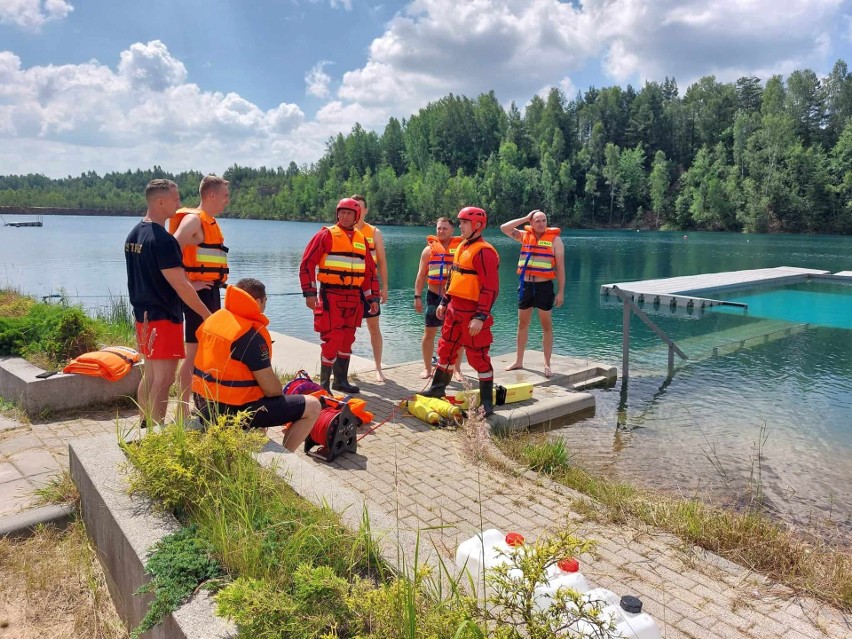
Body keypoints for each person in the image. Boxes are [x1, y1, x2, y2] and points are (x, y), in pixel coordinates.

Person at [192, 278, 320, 451]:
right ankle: (285, 458)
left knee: (262, 417)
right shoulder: (249, 334)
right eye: (266, 301)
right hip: (232, 411)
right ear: (259, 301)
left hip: (203, 403)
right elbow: (271, 390)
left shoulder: (215, 319)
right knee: (312, 405)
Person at [124, 179, 211, 425]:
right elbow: (180, 286)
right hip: (163, 317)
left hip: (142, 316)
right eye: (175, 198)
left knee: (150, 375)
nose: (179, 203)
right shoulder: (163, 240)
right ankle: (156, 429)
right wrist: (206, 315)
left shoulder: (135, 234)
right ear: (160, 201)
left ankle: (144, 424)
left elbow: (155, 275)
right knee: (164, 379)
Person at [421, 207, 500, 415]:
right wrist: (444, 302)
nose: (461, 226)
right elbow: (453, 277)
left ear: (477, 226)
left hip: (473, 312)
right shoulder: (463, 246)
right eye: (461, 222)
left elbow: (491, 288)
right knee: (446, 350)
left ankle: (486, 402)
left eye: (464, 222)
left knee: (478, 357)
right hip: (454, 309)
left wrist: (481, 316)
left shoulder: (485, 251)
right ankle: (437, 389)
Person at [299, 198, 380, 394]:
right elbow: (307, 264)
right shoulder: (325, 235)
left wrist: (373, 299)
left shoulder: (361, 239)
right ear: (337, 214)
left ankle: (341, 381)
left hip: (354, 298)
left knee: (347, 339)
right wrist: (309, 293)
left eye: (349, 213)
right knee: (332, 339)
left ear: (356, 216)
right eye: (342, 212)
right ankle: (324, 385)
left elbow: (369, 273)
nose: (345, 216)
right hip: (331, 296)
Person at [170, 175, 231, 415]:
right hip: (200, 295)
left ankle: (198, 403)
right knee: (193, 353)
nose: (227, 200)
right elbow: (172, 246)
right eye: (225, 196)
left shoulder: (210, 222)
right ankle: (182, 410)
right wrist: (187, 282)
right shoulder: (195, 220)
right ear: (211, 195)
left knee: (203, 352)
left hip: (210, 291)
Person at [500, 209, 565, 377]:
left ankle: (547, 364)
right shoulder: (524, 236)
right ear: (531, 222)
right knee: (522, 324)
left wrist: (561, 292)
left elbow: (561, 268)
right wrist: (525, 217)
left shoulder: (555, 241)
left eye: (544, 220)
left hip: (544, 288)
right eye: (537, 220)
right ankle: (519, 361)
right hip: (526, 286)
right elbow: (504, 228)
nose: (541, 223)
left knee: (546, 326)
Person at [413, 217, 464, 380]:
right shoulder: (428, 250)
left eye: (444, 228)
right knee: (429, 333)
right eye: (439, 228)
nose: (441, 231)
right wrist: (417, 297)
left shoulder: (461, 249)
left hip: (455, 297)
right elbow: (421, 276)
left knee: (457, 334)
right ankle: (427, 368)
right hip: (434, 296)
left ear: (452, 230)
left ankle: (457, 369)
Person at [352, 194, 388, 382]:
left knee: (374, 327)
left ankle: (378, 368)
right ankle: (342, 369)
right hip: (348, 287)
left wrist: (385, 287)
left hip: (370, 287)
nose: (356, 209)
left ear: (365, 210)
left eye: (359, 206)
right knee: (346, 328)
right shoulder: (341, 231)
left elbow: (381, 262)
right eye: (353, 206)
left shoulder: (374, 232)